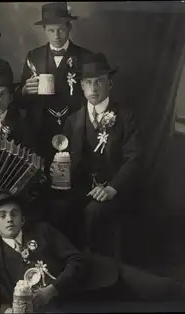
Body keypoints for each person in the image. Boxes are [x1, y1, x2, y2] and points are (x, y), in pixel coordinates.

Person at [0, 191, 185, 313]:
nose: (9, 219)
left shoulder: (43, 231)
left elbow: (77, 259)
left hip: (102, 276)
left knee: (160, 288)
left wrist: (52, 290)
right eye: (2, 216)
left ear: (23, 218)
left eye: (14, 213)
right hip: (74, 304)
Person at [57, 52, 141, 254]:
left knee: (94, 212)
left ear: (110, 84)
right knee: (58, 208)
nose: (93, 89)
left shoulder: (125, 116)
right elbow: (66, 161)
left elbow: (134, 158)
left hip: (113, 190)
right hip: (80, 189)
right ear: (81, 86)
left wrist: (112, 188)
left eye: (99, 82)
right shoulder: (73, 120)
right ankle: (69, 267)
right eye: (88, 83)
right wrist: (59, 171)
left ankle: (97, 268)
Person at [16, 2, 93, 172]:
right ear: (44, 30)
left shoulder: (85, 57)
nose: (56, 35)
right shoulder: (33, 56)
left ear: (69, 27)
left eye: (61, 30)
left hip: (76, 126)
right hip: (40, 127)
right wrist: (24, 91)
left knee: (74, 175)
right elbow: (20, 102)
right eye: (51, 30)